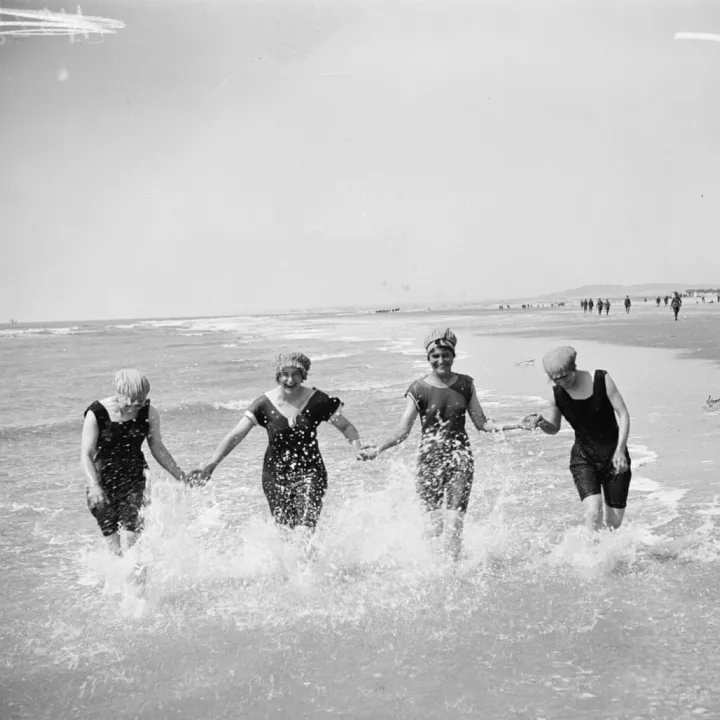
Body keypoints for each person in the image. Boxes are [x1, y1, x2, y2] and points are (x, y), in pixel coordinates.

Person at [358, 329, 536, 560]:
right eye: (435, 356)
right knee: (434, 528)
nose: (441, 360)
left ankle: (452, 573)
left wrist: (517, 424)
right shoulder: (418, 389)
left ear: (453, 355)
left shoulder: (465, 384)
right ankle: (424, 568)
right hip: (429, 463)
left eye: (445, 354)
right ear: (428, 358)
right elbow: (403, 430)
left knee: (453, 527)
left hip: (460, 462)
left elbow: (482, 423)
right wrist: (378, 448)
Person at [189, 353, 362, 532]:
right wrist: (211, 465)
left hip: (311, 472)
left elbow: (347, 427)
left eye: (295, 374)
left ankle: (307, 558)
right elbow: (236, 435)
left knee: (305, 529)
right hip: (275, 475)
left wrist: (357, 448)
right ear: (278, 376)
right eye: (285, 374)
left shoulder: (318, 401)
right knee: (286, 532)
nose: (290, 379)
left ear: (303, 375)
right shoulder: (263, 404)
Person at [523, 347, 631, 533]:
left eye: (566, 376)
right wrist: (541, 422)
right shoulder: (556, 394)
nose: (563, 382)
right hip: (583, 458)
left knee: (613, 524)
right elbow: (554, 428)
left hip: (614, 457)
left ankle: (606, 553)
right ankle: (589, 557)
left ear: (574, 367)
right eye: (557, 379)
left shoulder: (601, 379)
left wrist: (620, 450)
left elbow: (623, 415)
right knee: (593, 511)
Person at [81, 369, 187, 557]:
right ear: (118, 392)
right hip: (103, 483)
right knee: (115, 549)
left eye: (139, 401)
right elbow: (86, 454)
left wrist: (180, 475)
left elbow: (157, 447)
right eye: (129, 400)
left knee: (132, 544)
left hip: (136, 481)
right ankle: (120, 585)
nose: (133, 406)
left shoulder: (149, 412)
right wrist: (94, 486)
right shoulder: (96, 413)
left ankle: (139, 586)